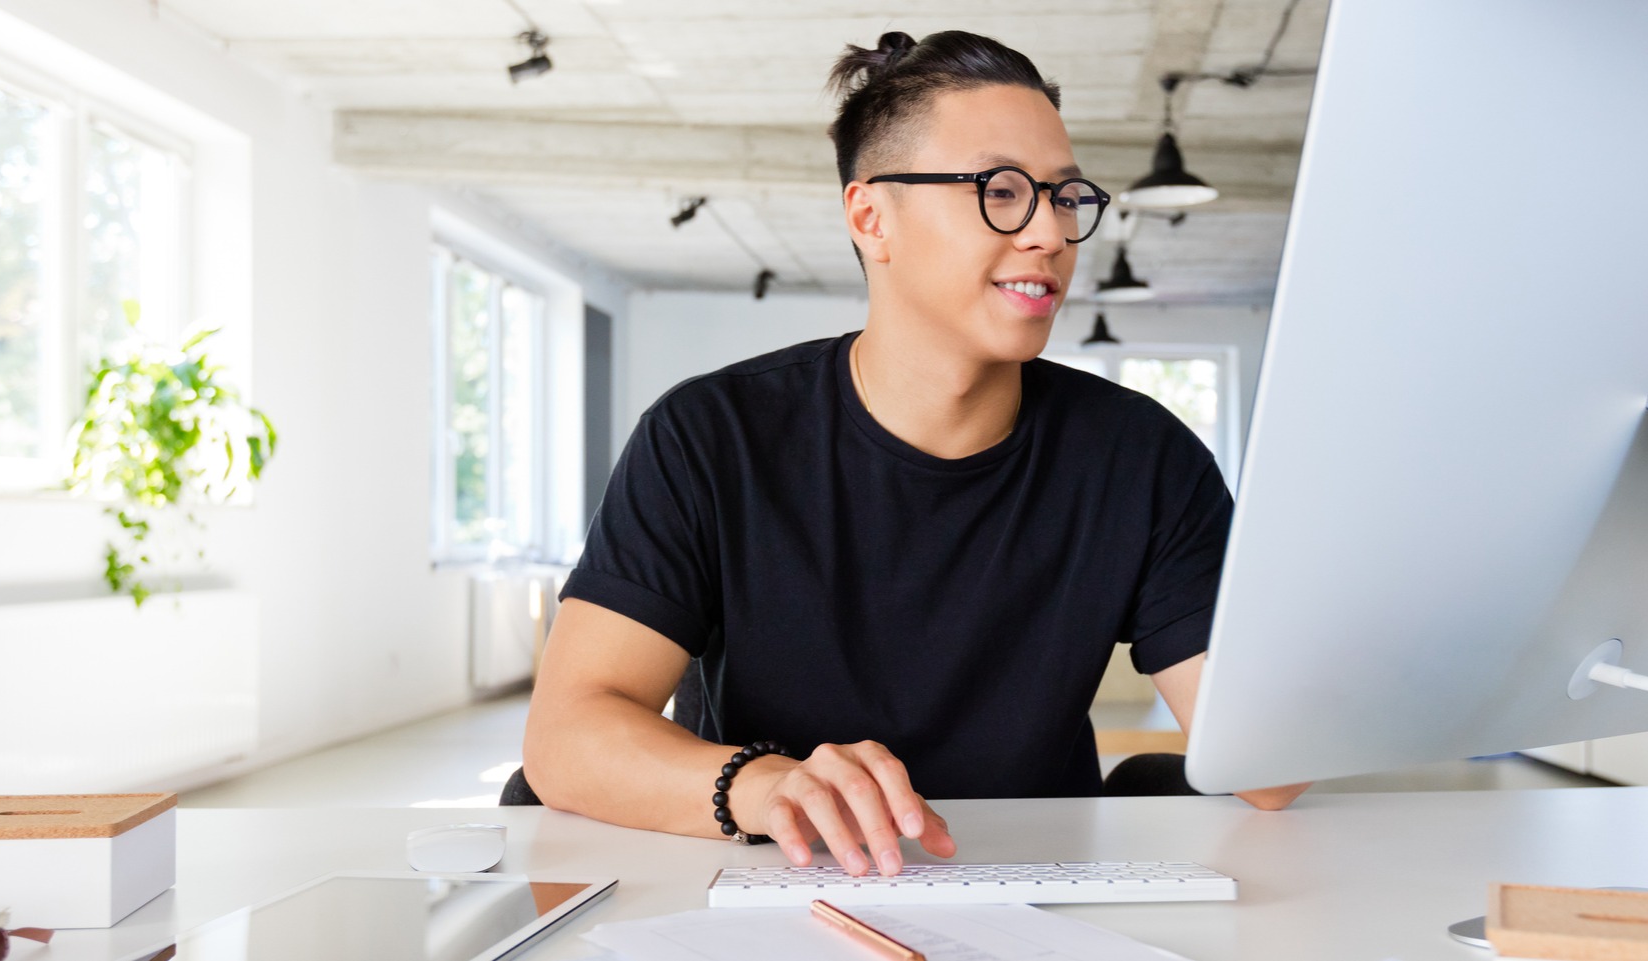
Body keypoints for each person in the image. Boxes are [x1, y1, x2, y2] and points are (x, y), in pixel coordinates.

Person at [522, 29, 1305, 879]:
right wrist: (763, 785)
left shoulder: (1142, 456)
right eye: (1000, 191)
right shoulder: (709, 436)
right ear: (870, 217)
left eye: (1064, 194)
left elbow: (1265, 772)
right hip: (774, 880)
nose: (1049, 231)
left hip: (1037, 889)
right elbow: (566, 737)